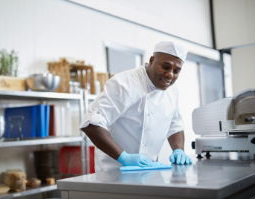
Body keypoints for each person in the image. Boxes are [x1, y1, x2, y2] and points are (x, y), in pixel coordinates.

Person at [81, 41, 192, 172]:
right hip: (114, 172)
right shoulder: (123, 83)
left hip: (150, 170)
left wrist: (178, 150)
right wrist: (124, 157)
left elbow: (175, 124)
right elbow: (91, 123)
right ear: (152, 60)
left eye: (176, 71)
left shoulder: (172, 92)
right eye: (166, 67)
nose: (170, 74)